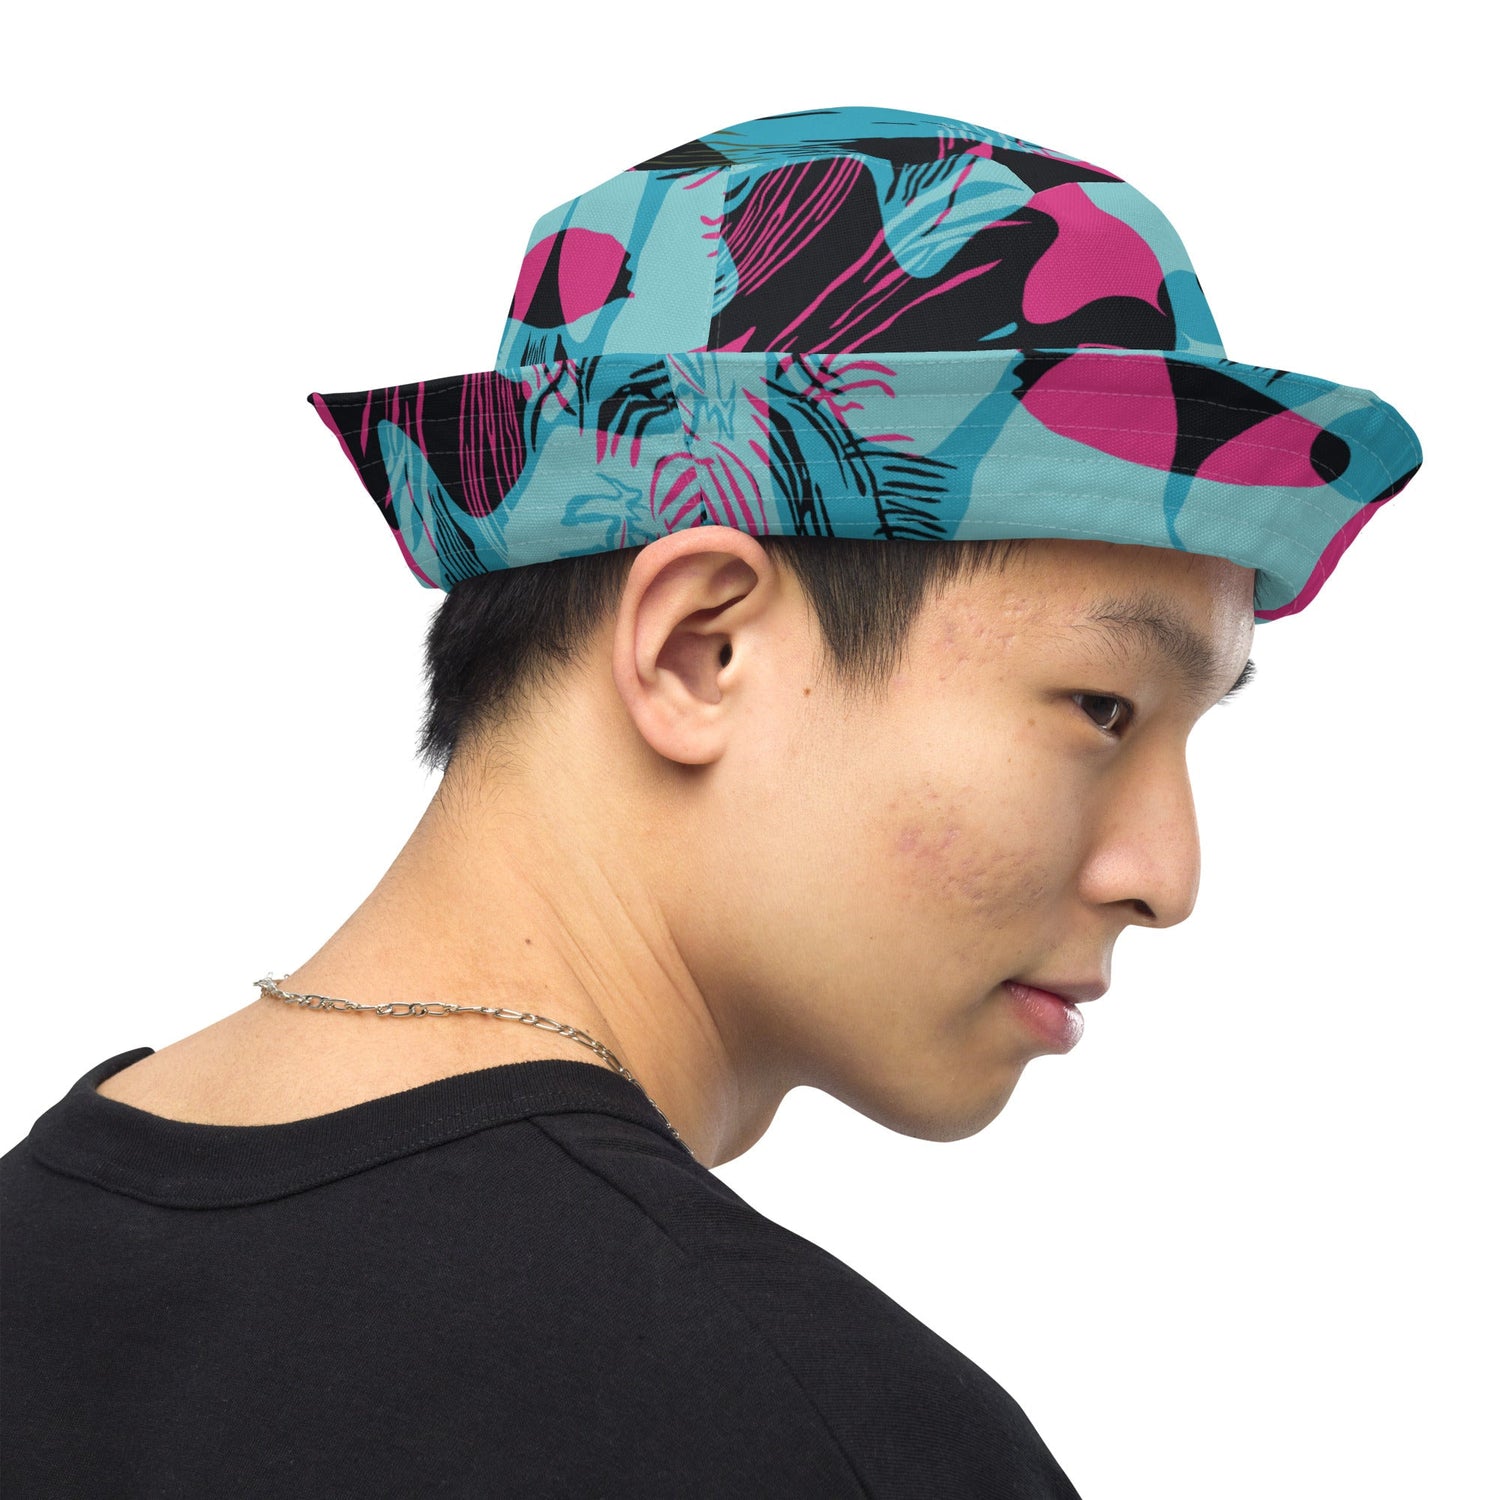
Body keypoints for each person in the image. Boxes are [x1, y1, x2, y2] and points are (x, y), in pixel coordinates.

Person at [0, 105, 1421, 1497]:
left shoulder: (37, 1243)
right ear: (701, 650)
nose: (1168, 876)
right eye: (1103, 708)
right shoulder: (824, 1436)